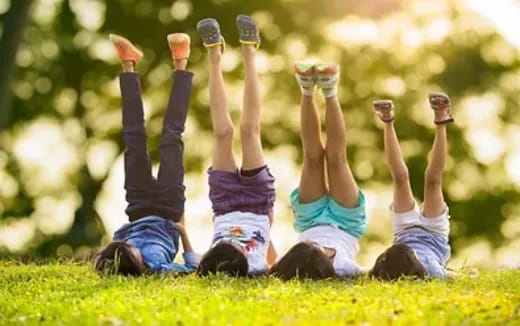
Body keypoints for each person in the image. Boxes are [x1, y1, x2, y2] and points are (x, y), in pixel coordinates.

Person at [93, 33, 198, 275]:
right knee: (171, 137)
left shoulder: (114, 261)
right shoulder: (158, 268)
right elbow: (193, 267)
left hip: (137, 206)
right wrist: (183, 231)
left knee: (133, 138)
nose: (130, 249)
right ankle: (181, 63)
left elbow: (113, 245)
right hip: (169, 208)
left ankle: (128, 64)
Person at [196, 15, 277, 276]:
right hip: (257, 202)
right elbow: (272, 257)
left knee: (223, 132)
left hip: (225, 203)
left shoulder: (209, 265)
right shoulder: (255, 268)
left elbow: (189, 261)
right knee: (249, 130)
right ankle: (250, 51)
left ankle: (214, 55)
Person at [270, 62, 368, 280]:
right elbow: (371, 274)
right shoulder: (342, 267)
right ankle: (330, 90)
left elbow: (267, 269)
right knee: (337, 160)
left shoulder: (290, 263)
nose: (312, 243)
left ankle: (307, 89)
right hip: (346, 223)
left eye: (306, 245)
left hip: (309, 219)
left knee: (312, 157)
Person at [369, 93, 454, 280]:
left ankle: (387, 120)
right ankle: (441, 119)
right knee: (432, 181)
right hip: (435, 235)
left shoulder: (388, 271)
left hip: (404, 231)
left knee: (400, 178)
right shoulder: (431, 271)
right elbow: (451, 276)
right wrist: (469, 275)